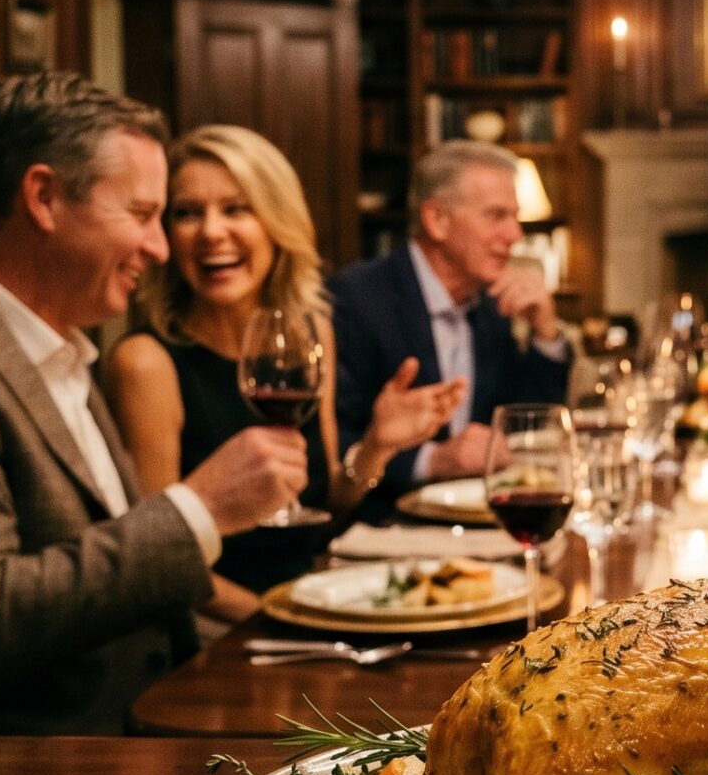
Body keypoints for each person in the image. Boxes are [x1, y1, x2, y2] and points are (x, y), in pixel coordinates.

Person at [0, 74, 310, 734]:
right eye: (141, 214)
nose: (160, 248)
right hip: (8, 768)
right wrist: (199, 509)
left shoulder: (57, 347)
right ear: (43, 198)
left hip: (138, 719)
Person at [106, 125, 463, 624]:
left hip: (310, 603)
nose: (210, 232)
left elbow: (325, 505)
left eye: (236, 209)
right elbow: (160, 559)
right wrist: (284, 619)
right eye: (187, 213)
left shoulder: (311, 333)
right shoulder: (146, 363)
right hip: (220, 629)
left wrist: (378, 445)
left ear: (277, 223)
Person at [329, 141, 571, 502]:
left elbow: (525, 426)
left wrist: (545, 332)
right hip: (383, 520)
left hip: (479, 518)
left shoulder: (490, 304)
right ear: (436, 220)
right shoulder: (356, 300)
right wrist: (434, 460)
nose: (515, 235)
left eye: (514, 217)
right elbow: (329, 448)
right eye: (496, 216)